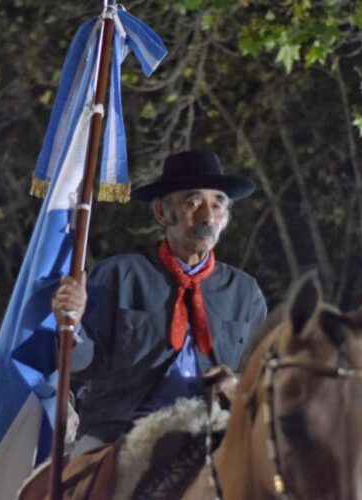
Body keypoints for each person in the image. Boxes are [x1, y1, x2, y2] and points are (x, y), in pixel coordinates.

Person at [52, 150, 268, 456]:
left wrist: (235, 383)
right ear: (161, 213)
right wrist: (71, 324)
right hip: (120, 436)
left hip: (212, 437)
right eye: (193, 203)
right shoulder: (118, 276)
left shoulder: (245, 293)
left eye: (218, 205)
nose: (208, 217)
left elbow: (260, 378)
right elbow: (79, 366)